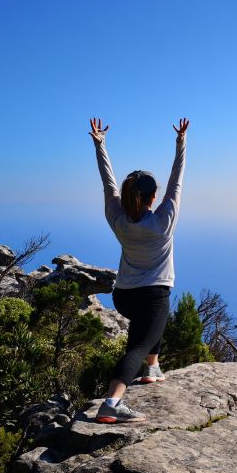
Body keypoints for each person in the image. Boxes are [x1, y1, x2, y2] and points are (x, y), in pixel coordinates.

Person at [89, 117, 189, 423]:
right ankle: (112, 403)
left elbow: (108, 183)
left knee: (150, 328)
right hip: (153, 294)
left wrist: (100, 145)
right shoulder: (163, 222)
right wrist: (181, 144)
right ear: (153, 197)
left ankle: (153, 368)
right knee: (138, 344)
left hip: (124, 295)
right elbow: (177, 181)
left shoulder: (117, 219)